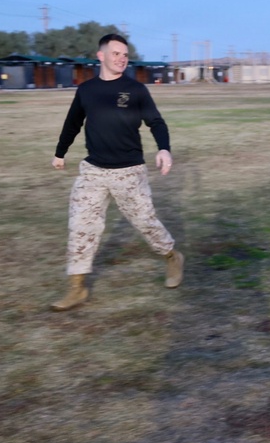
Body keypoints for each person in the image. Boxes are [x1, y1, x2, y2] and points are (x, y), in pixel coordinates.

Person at [50, 33, 184, 311]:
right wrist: (60, 152)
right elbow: (72, 123)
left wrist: (164, 148)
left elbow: (156, 122)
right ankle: (76, 288)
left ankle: (172, 257)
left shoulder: (136, 90)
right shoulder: (86, 90)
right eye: (116, 54)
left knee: (146, 222)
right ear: (101, 56)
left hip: (129, 171)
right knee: (80, 227)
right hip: (93, 171)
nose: (122, 59)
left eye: (125, 55)